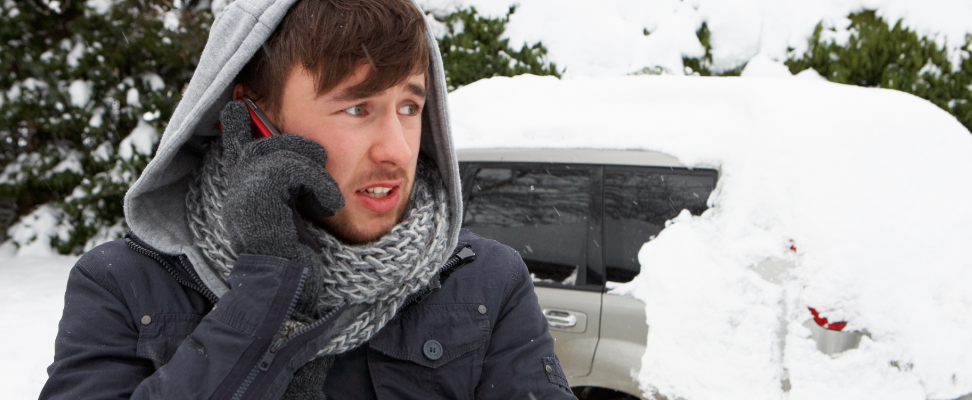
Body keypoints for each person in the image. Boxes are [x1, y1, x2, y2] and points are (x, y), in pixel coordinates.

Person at [39, 0, 575, 398]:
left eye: (410, 107)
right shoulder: (125, 284)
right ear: (254, 120)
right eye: (356, 108)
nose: (396, 149)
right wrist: (264, 293)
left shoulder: (484, 281)